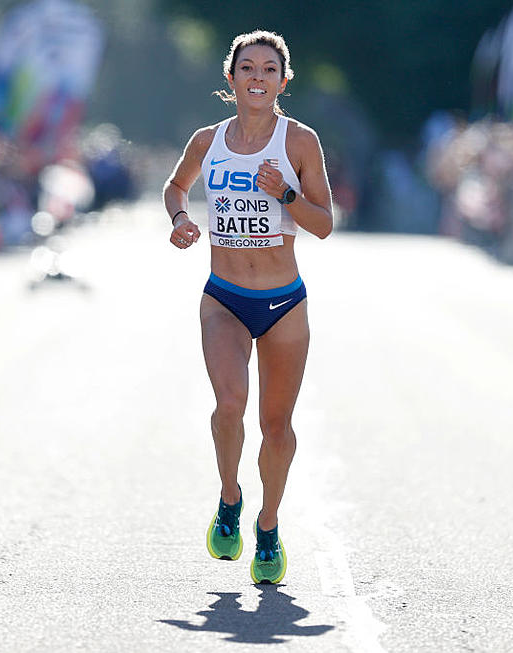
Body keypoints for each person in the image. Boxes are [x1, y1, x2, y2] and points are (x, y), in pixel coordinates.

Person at [163, 30, 333, 584]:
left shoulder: (300, 142)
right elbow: (174, 188)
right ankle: (230, 499)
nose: (257, 77)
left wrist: (286, 194)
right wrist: (182, 220)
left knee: (276, 425)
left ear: (283, 81)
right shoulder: (207, 139)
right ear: (230, 78)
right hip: (225, 298)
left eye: (268, 69)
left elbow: (324, 226)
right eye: (247, 68)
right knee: (229, 404)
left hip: (284, 302)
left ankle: (268, 526)